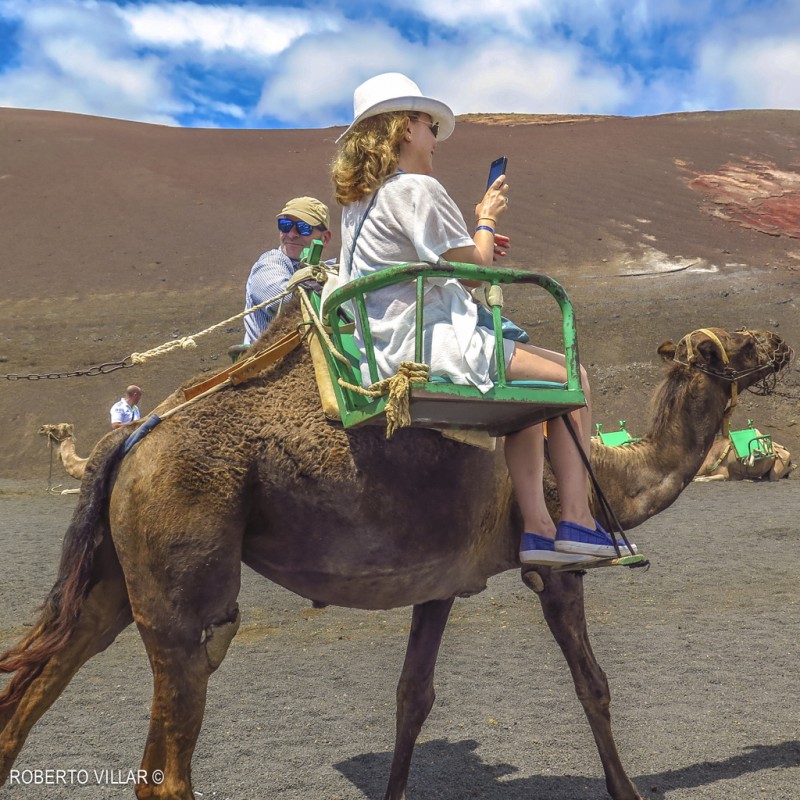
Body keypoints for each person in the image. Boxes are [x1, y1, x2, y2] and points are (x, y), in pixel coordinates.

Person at [331, 72, 636, 566]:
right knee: (571, 377)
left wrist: (480, 247)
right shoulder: (417, 189)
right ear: (405, 129)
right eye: (428, 125)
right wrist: (488, 217)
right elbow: (473, 271)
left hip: (386, 350)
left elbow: (461, 266)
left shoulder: (361, 202)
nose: (434, 139)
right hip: (431, 345)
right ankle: (577, 519)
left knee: (526, 401)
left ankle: (538, 529)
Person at [242, 196, 332, 344]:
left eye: (303, 228)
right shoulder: (270, 263)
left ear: (325, 238)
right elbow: (281, 301)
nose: (291, 234)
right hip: (265, 359)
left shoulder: (324, 270)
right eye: (285, 225)